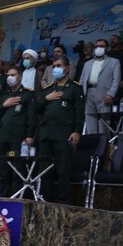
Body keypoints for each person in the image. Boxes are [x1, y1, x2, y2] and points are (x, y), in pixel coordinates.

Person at [37, 56, 85, 204]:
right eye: (54, 66)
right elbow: (37, 108)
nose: (55, 69)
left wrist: (77, 131)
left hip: (63, 135)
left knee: (63, 170)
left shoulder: (75, 88)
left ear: (67, 68)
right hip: (46, 134)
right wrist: (47, 99)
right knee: (45, 170)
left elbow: (79, 112)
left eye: (58, 66)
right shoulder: (48, 90)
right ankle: (46, 201)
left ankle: (63, 202)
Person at [0, 66, 36, 197]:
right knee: (3, 168)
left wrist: (29, 135)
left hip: (17, 139)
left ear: (20, 77)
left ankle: (16, 197)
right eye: (8, 75)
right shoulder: (4, 95)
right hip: (3, 138)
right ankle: (3, 196)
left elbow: (32, 117)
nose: (9, 78)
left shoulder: (27, 94)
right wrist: (4, 105)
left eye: (13, 75)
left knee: (16, 168)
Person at [79, 39, 121, 135]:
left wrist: (110, 94)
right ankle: (93, 145)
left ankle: (105, 146)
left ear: (107, 48)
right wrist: (81, 94)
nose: (98, 48)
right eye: (97, 46)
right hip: (88, 93)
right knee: (90, 121)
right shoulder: (87, 63)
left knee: (104, 124)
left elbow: (116, 80)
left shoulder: (114, 62)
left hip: (104, 94)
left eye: (101, 46)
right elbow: (82, 80)